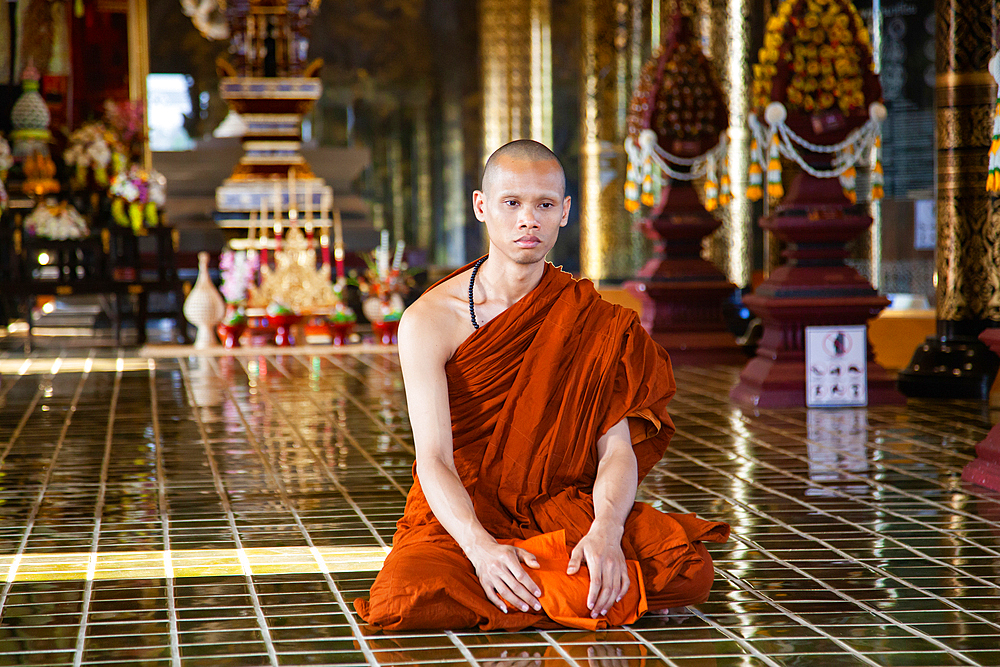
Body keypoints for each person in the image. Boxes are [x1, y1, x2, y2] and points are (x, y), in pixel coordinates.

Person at [354, 140, 729, 632]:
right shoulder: (428, 321)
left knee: (690, 571)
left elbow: (617, 452)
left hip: (561, 504)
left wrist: (606, 533)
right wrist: (482, 550)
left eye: (544, 205)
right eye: (512, 203)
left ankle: (544, 582)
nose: (527, 220)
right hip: (468, 510)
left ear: (565, 212)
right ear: (481, 207)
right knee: (405, 596)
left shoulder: (591, 320)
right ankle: (554, 586)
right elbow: (434, 460)